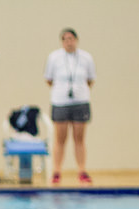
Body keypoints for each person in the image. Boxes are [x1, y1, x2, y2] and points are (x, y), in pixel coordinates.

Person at [45, 28, 95, 185]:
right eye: (65, 39)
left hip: (80, 101)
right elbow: (49, 79)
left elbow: (90, 79)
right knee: (60, 139)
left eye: (71, 38)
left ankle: (81, 171)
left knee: (79, 139)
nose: (69, 42)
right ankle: (57, 171)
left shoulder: (86, 57)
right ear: (62, 42)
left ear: (76, 40)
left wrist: (79, 91)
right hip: (60, 102)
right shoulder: (54, 57)